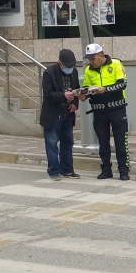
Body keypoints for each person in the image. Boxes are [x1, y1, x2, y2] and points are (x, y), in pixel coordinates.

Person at [79, 43, 131, 181]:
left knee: (121, 141)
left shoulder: (115, 64)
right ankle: (106, 169)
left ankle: (124, 171)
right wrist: (84, 94)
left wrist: (105, 89)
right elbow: (86, 87)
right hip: (99, 111)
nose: (90, 62)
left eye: (92, 58)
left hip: (117, 109)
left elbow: (123, 84)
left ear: (101, 55)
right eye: (89, 59)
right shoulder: (89, 70)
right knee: (103, 142)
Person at [40, 49, 81, 181]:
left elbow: (76, 88)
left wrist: (75, 102)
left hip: (68, 112)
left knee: (68, 142)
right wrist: (63, 95)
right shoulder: (49, 73)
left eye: (72, 66)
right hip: (53, 113)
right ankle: (54, 171)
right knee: (52, 142)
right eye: (67, 66)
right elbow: (47, 94)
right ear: (60, 63)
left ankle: (67, 170)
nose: (70, 68)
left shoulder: (74, 72)